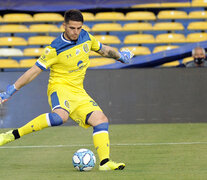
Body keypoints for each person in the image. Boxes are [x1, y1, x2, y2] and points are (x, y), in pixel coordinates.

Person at [0, 9, 133, 171]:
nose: (76, 32)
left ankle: (105, 163)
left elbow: (104, 50)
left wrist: (120, 57)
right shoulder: (54, 49)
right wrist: (11, 90)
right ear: (64, 26)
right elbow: (33, 71)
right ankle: (11, 135)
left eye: (79, 28)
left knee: (101, 120)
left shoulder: (86, 37)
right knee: (60, 117)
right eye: (72, 28)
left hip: (78, 91)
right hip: (59, 88)